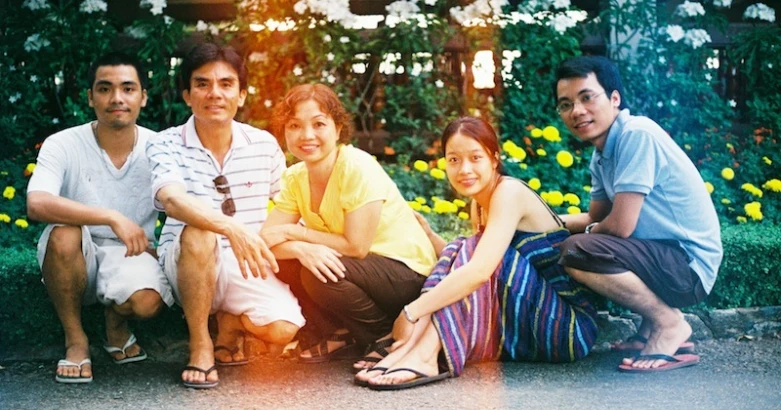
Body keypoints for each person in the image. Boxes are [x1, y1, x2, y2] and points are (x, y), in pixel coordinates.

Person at [357, 116, 599, 390]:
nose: (464, 169)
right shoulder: (480, 204)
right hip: (524, 325)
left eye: (475, 157)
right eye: (454, 160)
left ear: (494, 159)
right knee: (465, 246)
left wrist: (412, 312)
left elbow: (480, 270)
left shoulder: (508, 192)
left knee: (473, 249)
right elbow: (464, 267)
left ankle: (423, 353)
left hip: (567, 329)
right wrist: (430, 235)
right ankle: (412, 349)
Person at [147, 43, 304, 389]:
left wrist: (308, 244)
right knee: (200, 232)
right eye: (202, 84)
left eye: (226, 84)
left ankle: (231, 322)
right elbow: (171, 199)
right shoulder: (165, 143)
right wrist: (230, 227)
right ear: (187, 95)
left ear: (242, 94)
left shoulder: (262, 144)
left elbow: (290, 206)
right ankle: (201, 343)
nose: (214, 93)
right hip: (187, 259)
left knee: (284, 329)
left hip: (244, 262)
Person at [553, 56, 723, 373]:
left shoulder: (636, 134)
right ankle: (651, 328)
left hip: (688, 267)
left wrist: (580, 237)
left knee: (576, 250)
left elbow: (618, 228)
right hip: (666, 258)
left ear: (614, 98)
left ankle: (669, 324)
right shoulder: (602, 154)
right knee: (575, 241)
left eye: (587, 97)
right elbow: (595, 217)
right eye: (566, 104)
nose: (576, 111)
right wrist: (546, 221)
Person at [261, 84, 438, 368]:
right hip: (362, 273)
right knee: (284, 262)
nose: (306, 135)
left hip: (406, 274)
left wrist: (296, 233)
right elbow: (266, 240)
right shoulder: (295, 177)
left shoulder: (355, 166)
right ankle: (340, 334)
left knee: (316, 273)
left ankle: (387, 336)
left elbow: (356, 246)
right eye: (294, 125)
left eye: (318, 124)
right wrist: (301, 249)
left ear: (338, 127)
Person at [26, 51, 174, 384]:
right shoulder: (63, 143)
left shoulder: (160, 146)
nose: (117, 98)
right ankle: (76, 340)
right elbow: (36, 203)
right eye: (105, 88)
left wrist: (163, 249)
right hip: (79, 252)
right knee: (65, 233)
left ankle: (115, 323)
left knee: (148, 303)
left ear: (143, 97)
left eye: (128, 88)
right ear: (90, 97)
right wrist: (109, 217)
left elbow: (181, 204)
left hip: (131, 252)